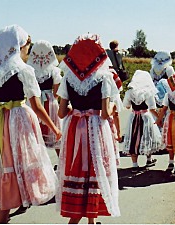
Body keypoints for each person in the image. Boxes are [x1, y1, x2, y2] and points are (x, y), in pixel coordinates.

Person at [0, 24, 61, 224]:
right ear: (18, 45)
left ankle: (9, 205)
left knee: (5, 162)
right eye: (26, 44)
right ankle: (8, 208)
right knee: (21, 160)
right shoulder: (24, 70)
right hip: (18, 120)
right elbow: (37, 106)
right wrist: (54, 128)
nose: (27, 48)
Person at [56, 33, 120, 224]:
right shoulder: (104, 77)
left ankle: (81, 216)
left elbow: (61, 113)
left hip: (75, 127)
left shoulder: (68, 78)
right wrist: (113, 107)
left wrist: (74, 108)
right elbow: (105, 113)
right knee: (95, 167)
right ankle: (90, 217)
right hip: (95, 127)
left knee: (77, 168)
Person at [27, 40, 62, 158]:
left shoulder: (29, 70)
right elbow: (57, 91)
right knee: (54, 132)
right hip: (49, 101)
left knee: (34, 133)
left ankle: (36, 162)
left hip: (33, 100)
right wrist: (52, 98)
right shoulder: (54, 70)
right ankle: (61, 161)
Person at [122, 70, 162, 173]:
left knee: (133, 138)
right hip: (145, 116)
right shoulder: (148, 93)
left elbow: (127, 106)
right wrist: (159, 118)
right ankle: (149, 159)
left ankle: (135, 164)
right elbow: (152, 108)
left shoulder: (130, 92)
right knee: (147, 136)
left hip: (134, 116)